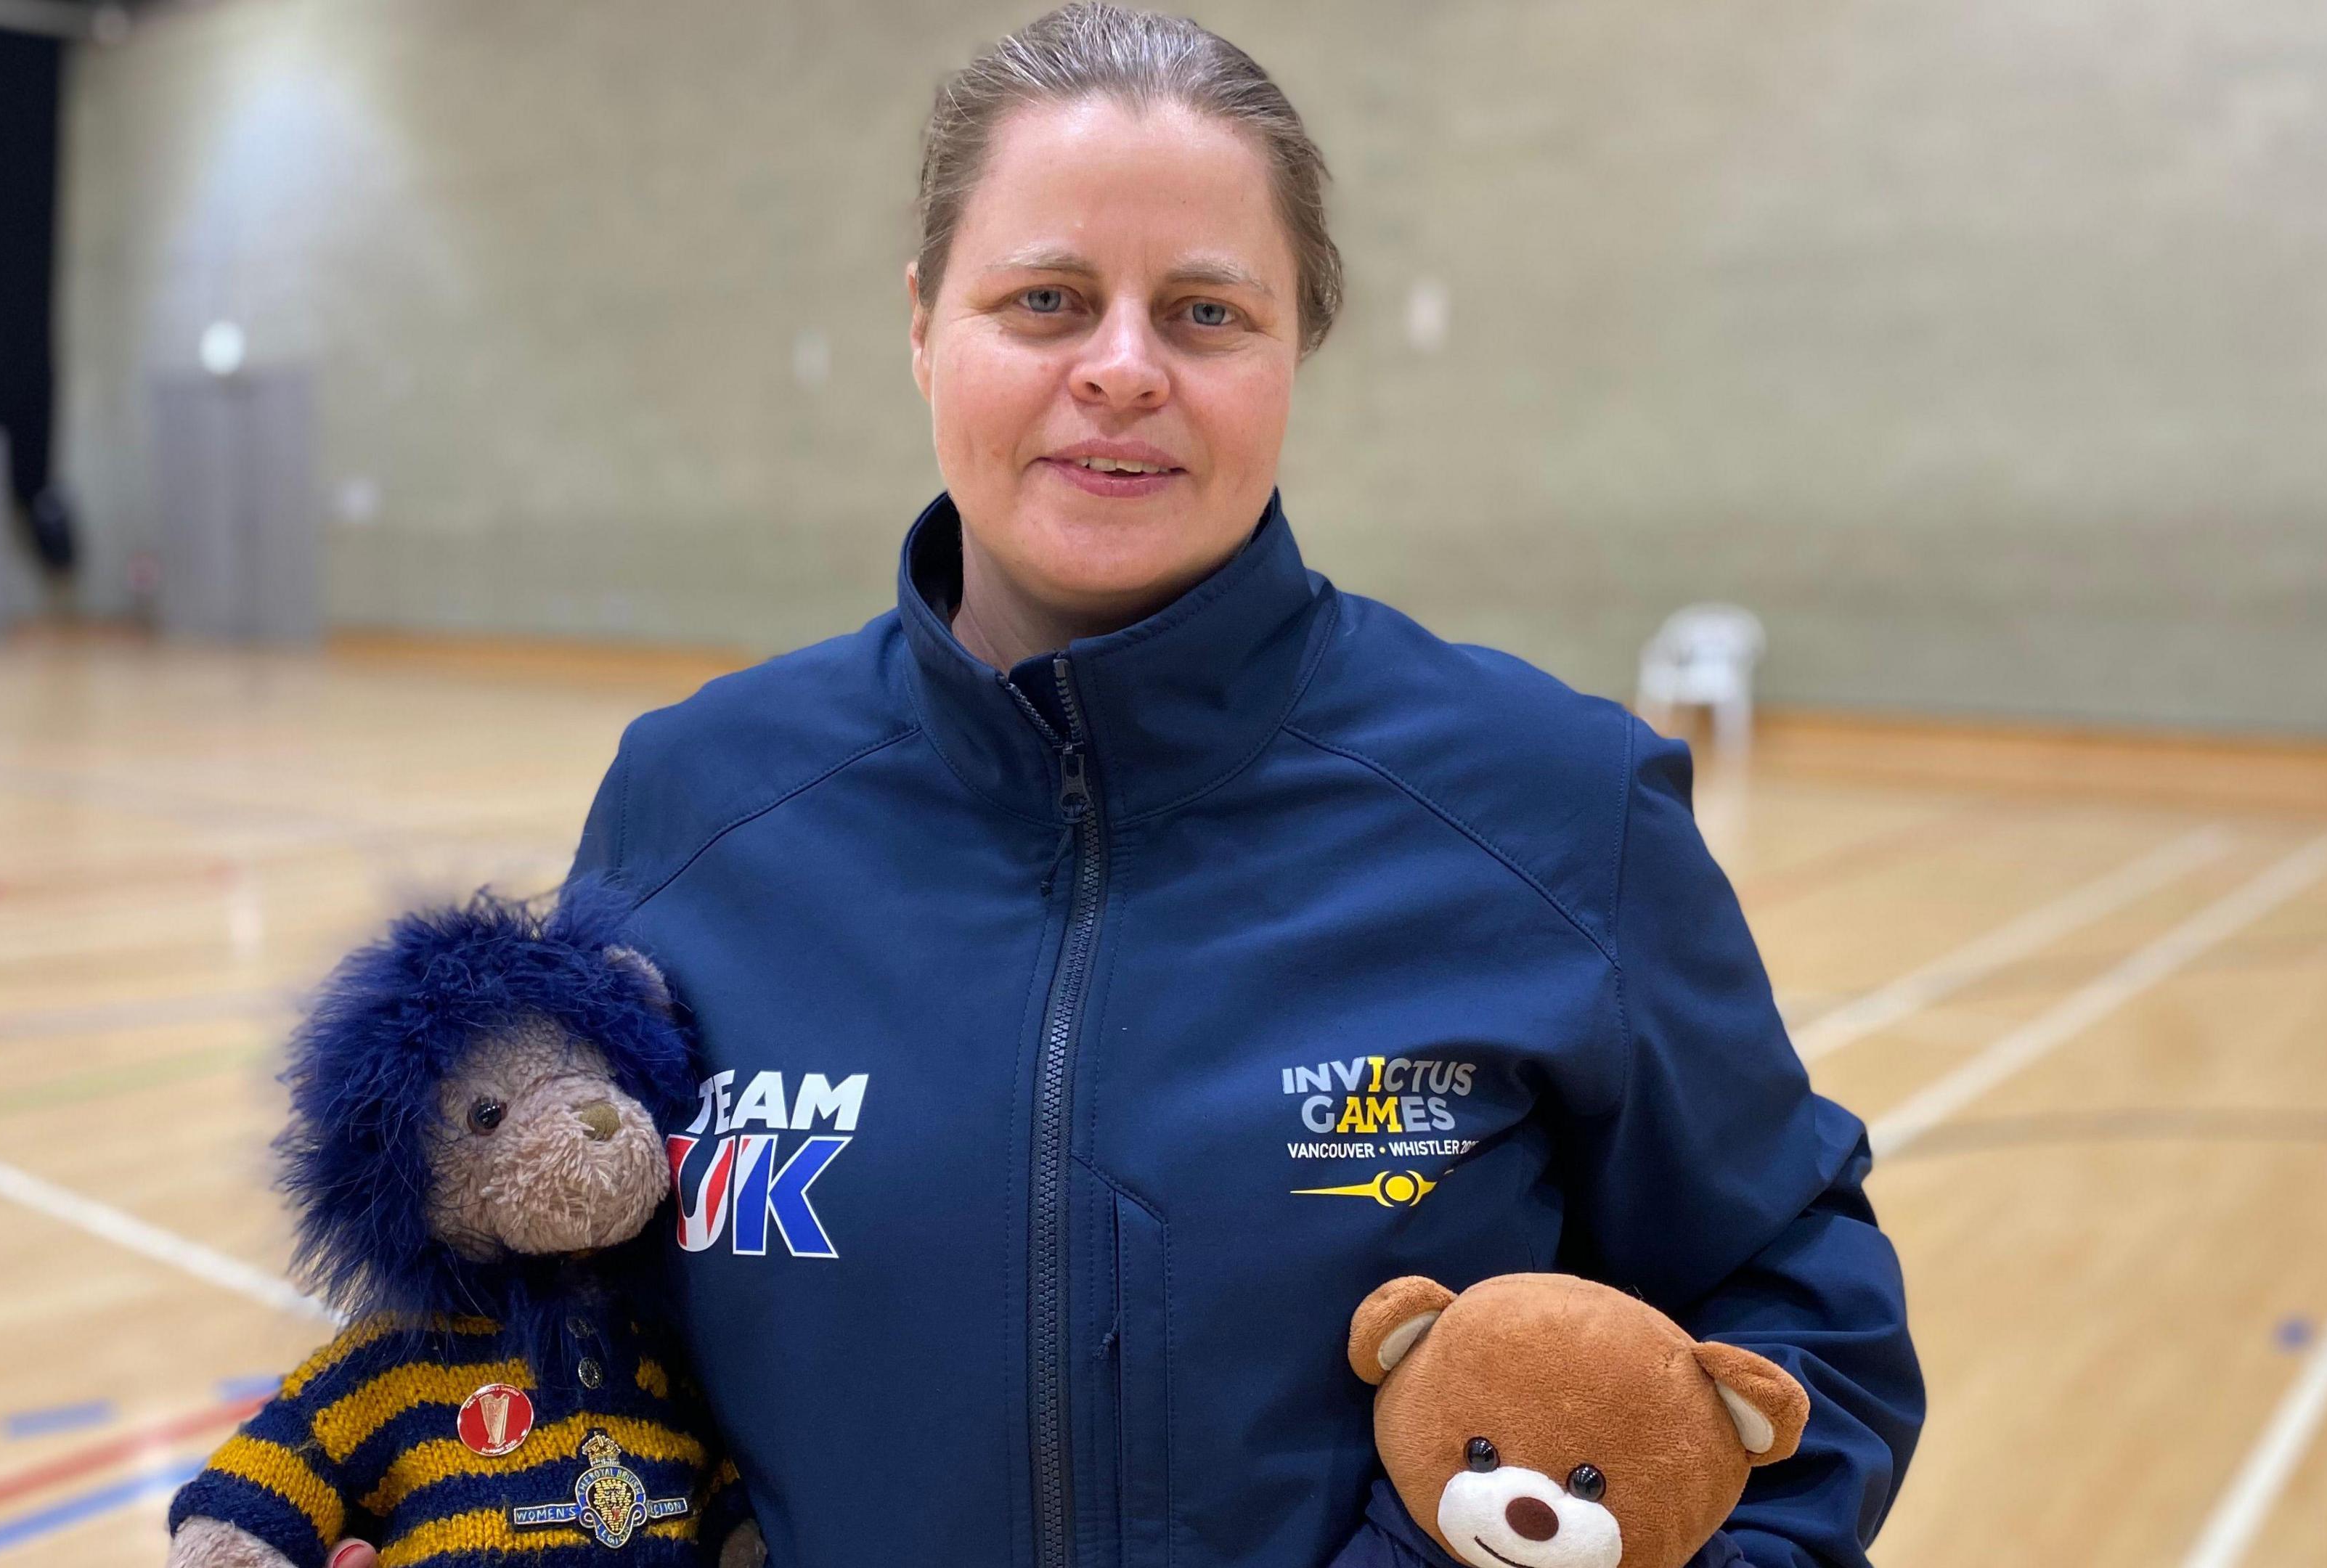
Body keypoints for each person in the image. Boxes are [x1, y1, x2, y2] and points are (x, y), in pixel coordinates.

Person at [338, 6, 1920, 1566]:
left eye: (1206, 313)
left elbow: (1798, 1307)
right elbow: (562, 1320)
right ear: (920, 325)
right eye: (1044, 299)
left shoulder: (1553, 809)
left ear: (1296, 340)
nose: (1120, 369)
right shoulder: (691, 807)